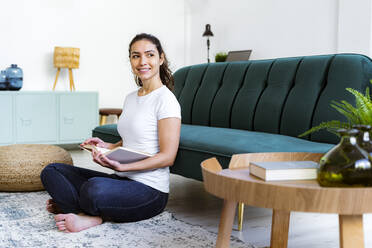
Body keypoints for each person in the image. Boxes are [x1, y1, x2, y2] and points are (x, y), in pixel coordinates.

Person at [40, 33, 181, 233]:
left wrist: (124, 168)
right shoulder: (131, 97)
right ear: (131, 60)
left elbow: (168, 157)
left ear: (161, 58)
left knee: (93, 189)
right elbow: (131, 140)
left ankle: (86, 214)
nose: (142, 62)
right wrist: (107, 146)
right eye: (135, 56)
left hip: (150, 191)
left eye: (149, 55)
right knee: (52, 171)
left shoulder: (166, 100)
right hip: (121, 181)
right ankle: (85, 208)